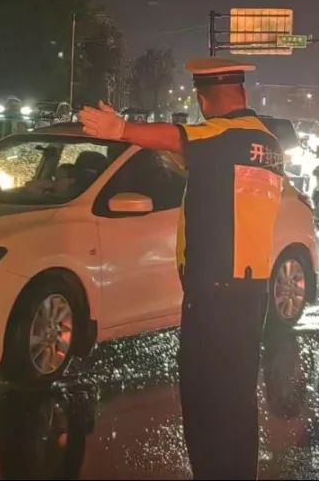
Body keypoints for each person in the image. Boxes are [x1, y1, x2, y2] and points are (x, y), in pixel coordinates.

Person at [79, 57, 283, 480]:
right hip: (251, 290)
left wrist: (121, 129)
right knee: (237, 397)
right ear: (243, 93)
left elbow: (177, 137)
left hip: (215, 293)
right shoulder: (266, 143)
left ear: (205, 101)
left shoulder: (222, 135)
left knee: (204, 398)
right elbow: (200, 162)